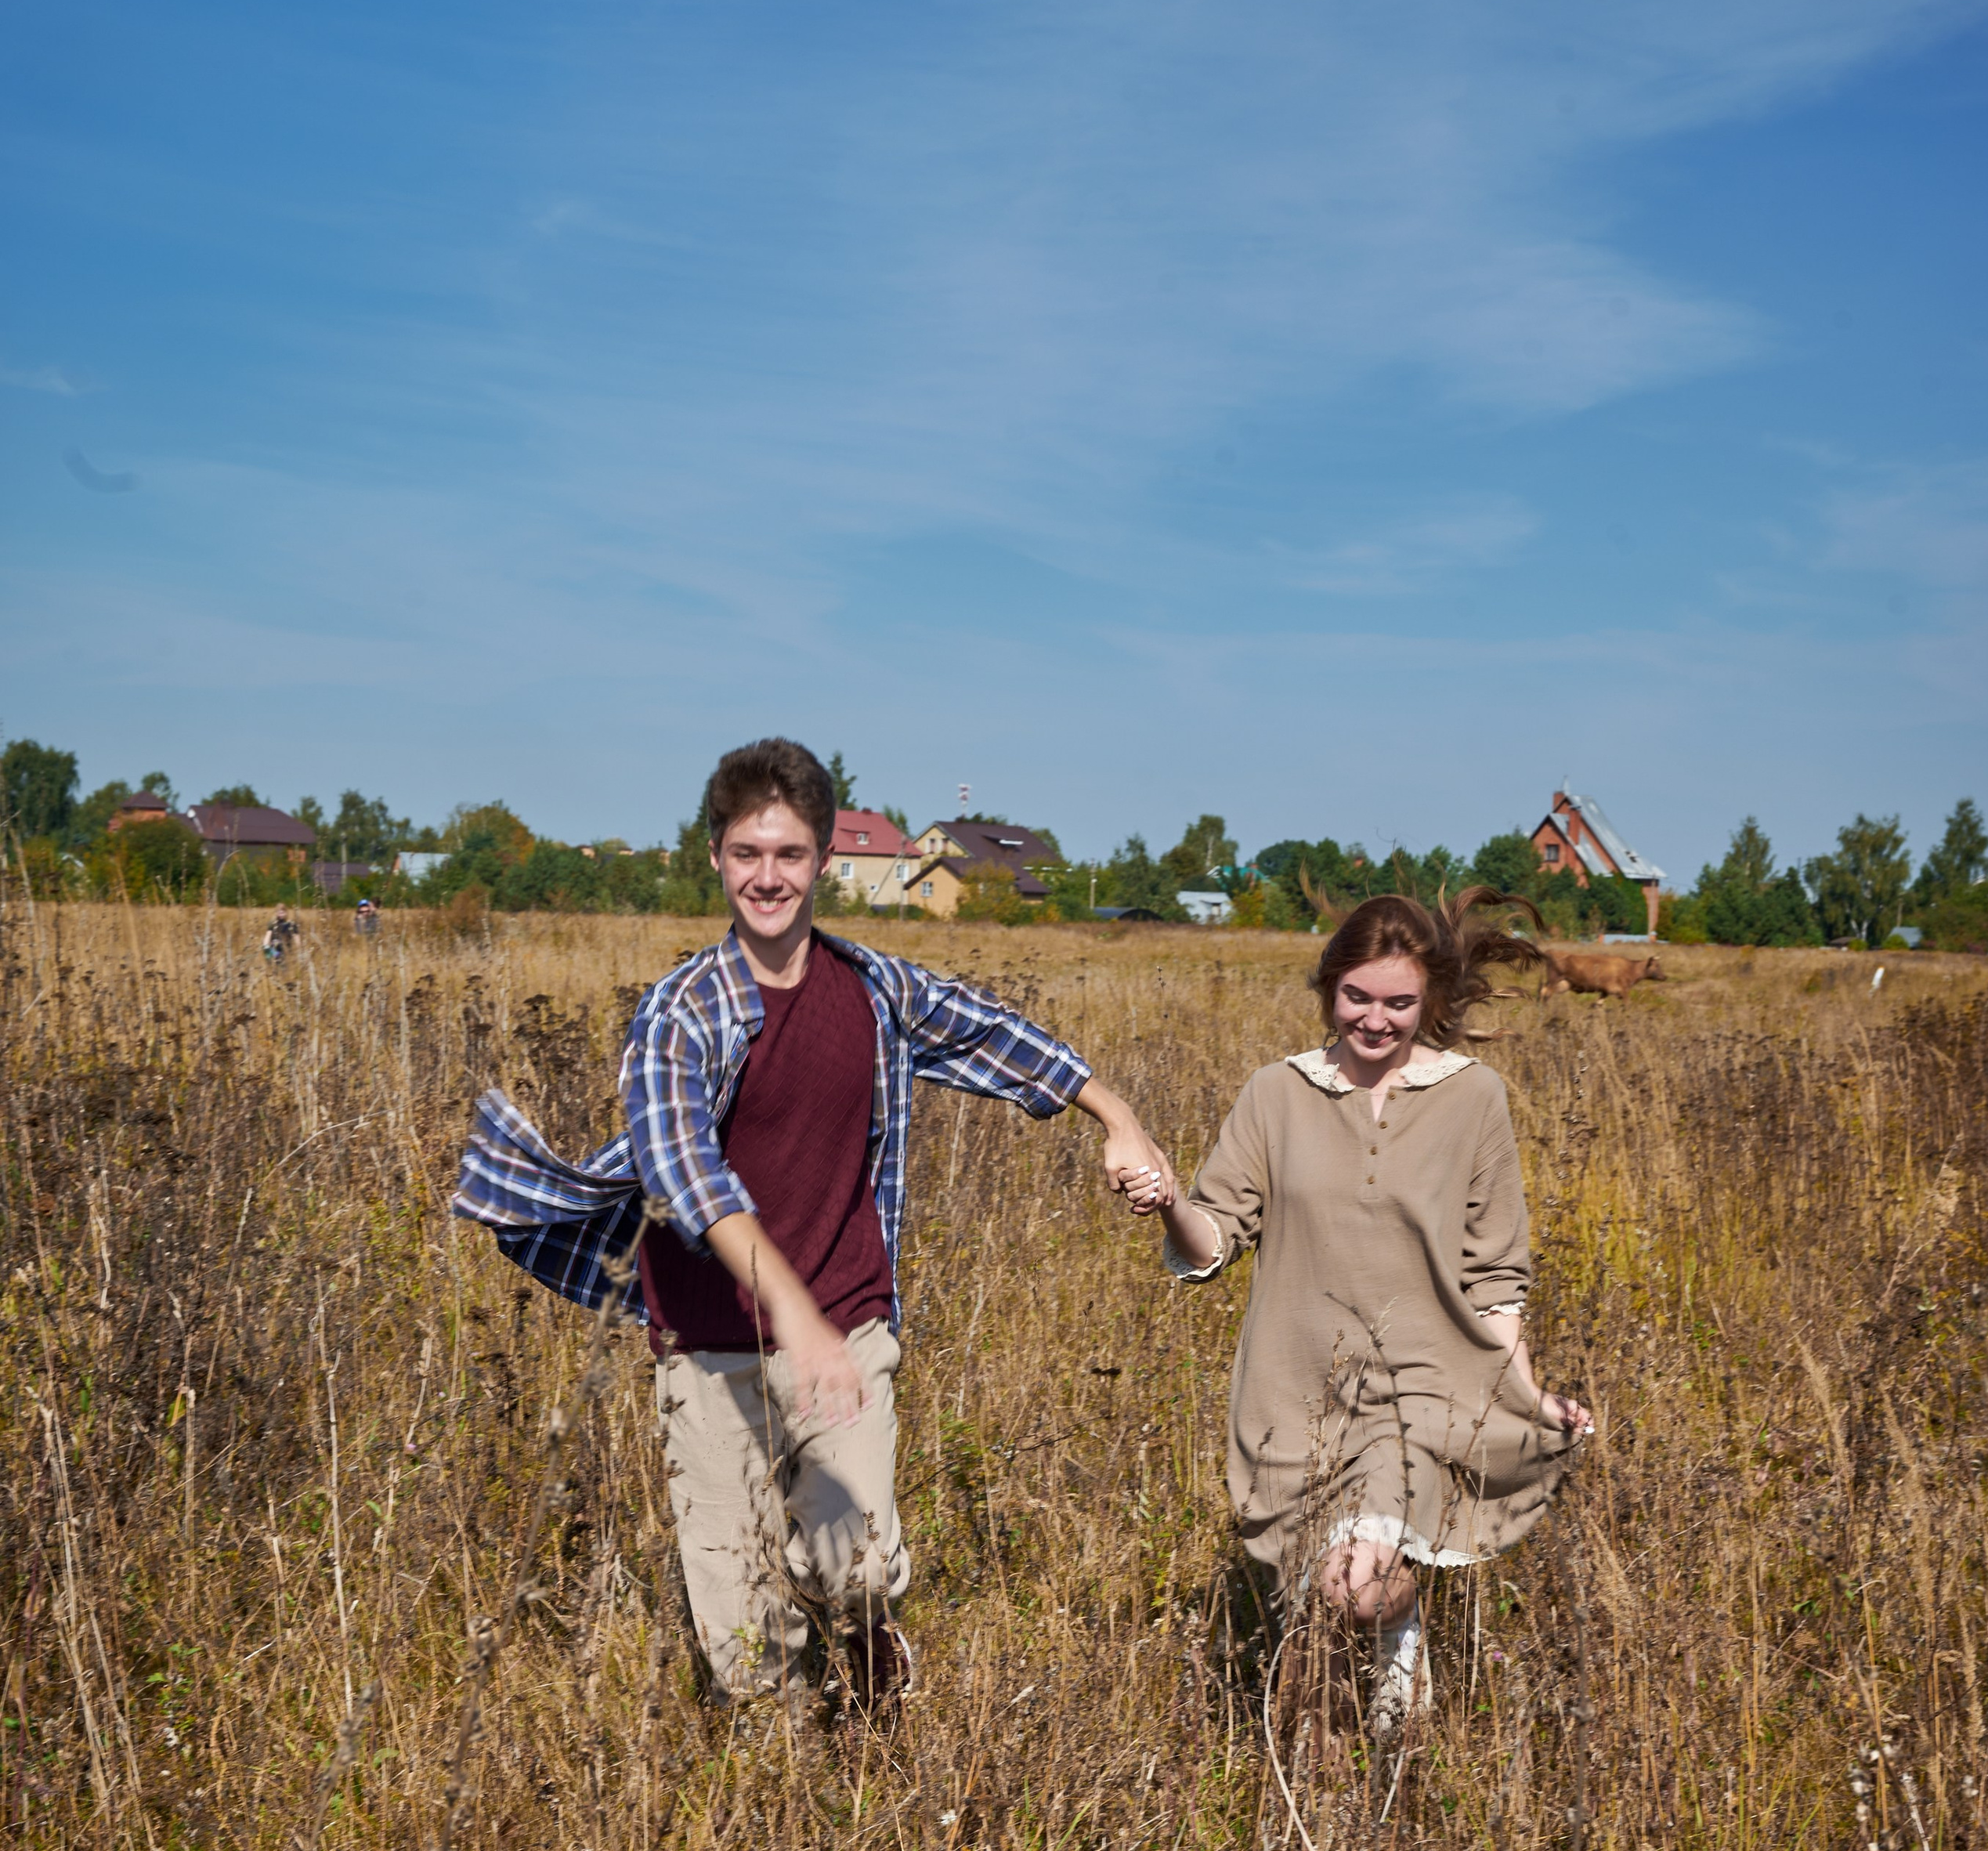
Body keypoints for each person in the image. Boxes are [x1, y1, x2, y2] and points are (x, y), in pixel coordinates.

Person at [454, 738, 1172, 1712]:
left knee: (860, 1568)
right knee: (747, 1650)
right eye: (747, 853)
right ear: (713, 857)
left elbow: (997, 1033)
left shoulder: (873, 991)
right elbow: (685, 1175)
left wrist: (1118, 1119)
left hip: (848, 1321)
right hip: (707, 1347)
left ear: (825, 862)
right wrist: (788, 1316)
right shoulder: (680, 1013)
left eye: (789, 855)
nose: (767, 876)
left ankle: (866, 1639)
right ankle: (788, 1799)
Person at [1137, 890, 1591, 1732]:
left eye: (1398, 1003)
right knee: (1312, 1629)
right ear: (1327, 988)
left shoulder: (1472, 1098)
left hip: (1421, 1391)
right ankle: (1342, 1776)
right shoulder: (1275, 1094)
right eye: (1356, 997)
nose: (1374, 1021)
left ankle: (1395, 1661)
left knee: (1354, 1583)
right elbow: (1210, 1244)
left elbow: (1495, 1275)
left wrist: (1526, 1397)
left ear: (1432, 1002)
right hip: (1294, 1396)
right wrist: (1169, 1201)